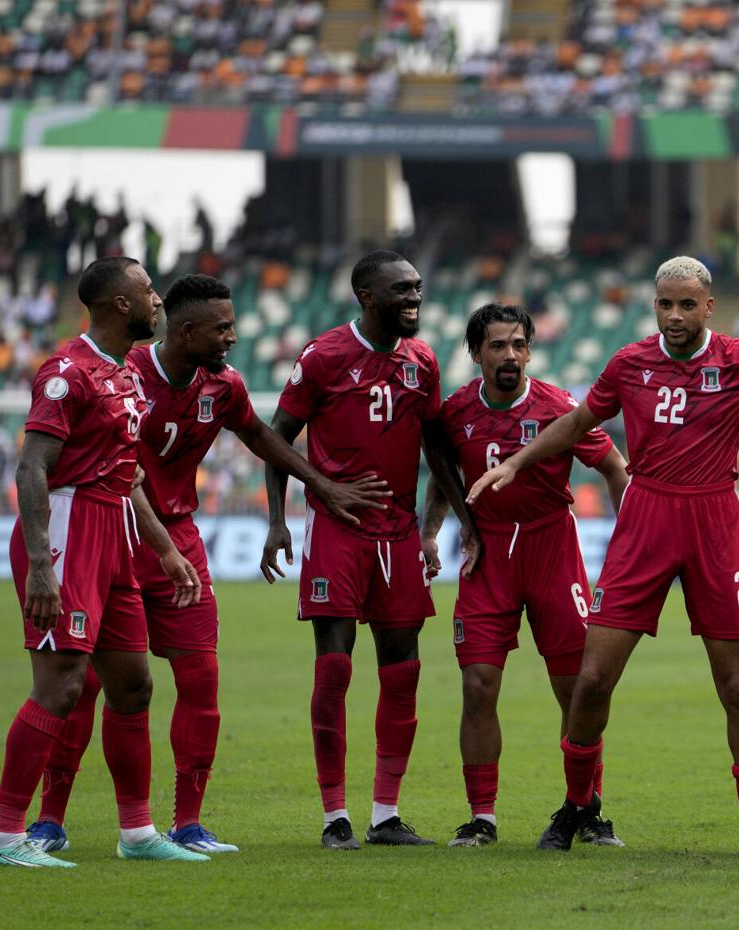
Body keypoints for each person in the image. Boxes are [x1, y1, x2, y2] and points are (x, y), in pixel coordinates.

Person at [467, 256, 739, 856]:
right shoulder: (629, 363)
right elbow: (576, 425)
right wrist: (516, 462)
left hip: (713, 521)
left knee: (735, 683)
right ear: (655, 305)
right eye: (665, 304)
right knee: (592, 680)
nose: (674, 315)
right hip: (646, 517)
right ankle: (577, 808)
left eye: (686, 304)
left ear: (708, 307)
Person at [25, 274, 391, 855]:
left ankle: (188, 824)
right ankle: (48, 821)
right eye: (221, 327)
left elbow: (261, 437)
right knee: (88, 682)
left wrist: (314, 490)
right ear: (186, 329)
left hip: (180, 537)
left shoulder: (223, 386)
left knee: (200, 678)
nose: (232, 336)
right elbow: (107, 466)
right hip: (112, 531)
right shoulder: (127, 374)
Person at [0, 257, 207, 867]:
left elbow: (127, 477)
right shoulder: (66, 372)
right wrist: (39, 564)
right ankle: (4, 837)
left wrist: (163, 547)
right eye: (149, 292)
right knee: (61, 686)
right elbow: (32, 468)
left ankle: (136, 834)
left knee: (133, 685)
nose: (158, 301)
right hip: (67, 530)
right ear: (119, 306)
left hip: (116, 536)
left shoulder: (126, 375)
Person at [260, 250, 476, 851]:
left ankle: (385, 815)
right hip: (337, 531)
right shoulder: (324, 356)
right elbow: (275, 440)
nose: (414, 298)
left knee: (402, 671)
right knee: (334, 669)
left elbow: (438, 449)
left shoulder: (423, 360)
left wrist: (463, 521)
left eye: (418, 288)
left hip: (398, 534)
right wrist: (281, 519)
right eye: (401, 290)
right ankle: (335, 818)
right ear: (366, 296)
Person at [421, 302, 629, 848]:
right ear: (475, 354)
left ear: (531, 351)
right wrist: (429, 532)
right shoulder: (455, 412)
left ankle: (585, 809)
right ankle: (482, 817)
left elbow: (613, 468)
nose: (510, 355)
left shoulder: (560, 407)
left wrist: (628, 541)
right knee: (477, 685)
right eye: (497, 346)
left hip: (552, 550)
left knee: (578, 692)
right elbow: (442, 475)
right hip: (488, 556)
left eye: (519, 345)